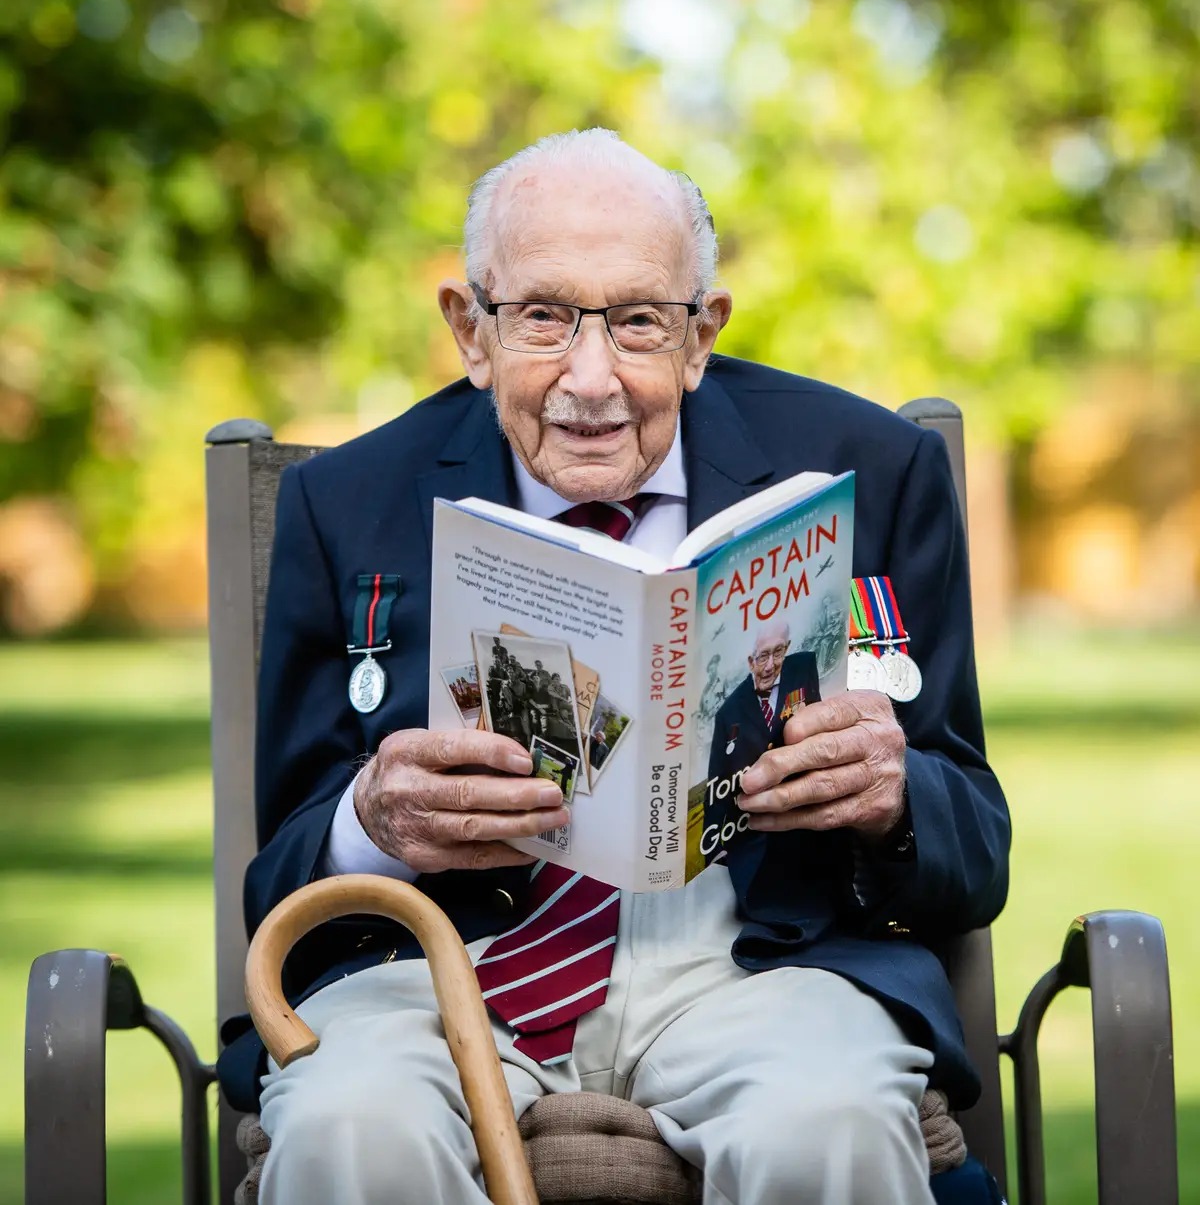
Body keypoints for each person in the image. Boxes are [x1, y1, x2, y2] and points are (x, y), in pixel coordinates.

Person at [223, 129, 1010, 1205]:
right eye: (542, 315)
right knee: (349, 1126)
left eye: (640, 320)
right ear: (470, 328)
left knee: (830, 1119)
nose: (590, 381)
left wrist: (892, 793)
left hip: (759, 965)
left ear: (702, 333)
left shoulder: (872, 468)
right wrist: (371, 815)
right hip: (441, 971)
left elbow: (978, 850)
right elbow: (278, 881)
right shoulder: (346, 501)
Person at [704, 622, 820, 861]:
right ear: (750, 661)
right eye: (762, 656)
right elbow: (716, 783)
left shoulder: (804, 666)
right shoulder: (728, 712)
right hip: (749, 844)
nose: (770, 666)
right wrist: (712, 852)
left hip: (809, 835)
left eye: (777, 653)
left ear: (787, 648)